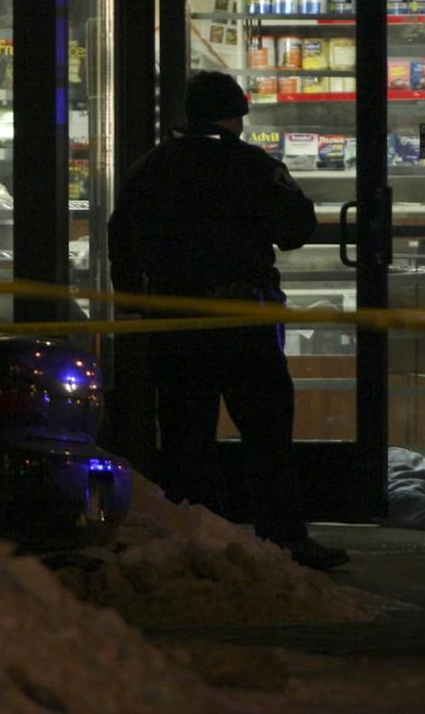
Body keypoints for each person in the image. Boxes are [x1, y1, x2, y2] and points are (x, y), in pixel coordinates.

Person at [108, 70, 350, 572]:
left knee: (185, 438)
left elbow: (121, 240)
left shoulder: (151, 168)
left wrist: (135, 301)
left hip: (174, 323)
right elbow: (296, 228)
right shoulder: (252, 165)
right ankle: (283, 540)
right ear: (236, 114)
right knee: (266, 434)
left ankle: (199, 541)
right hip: (242, 320)